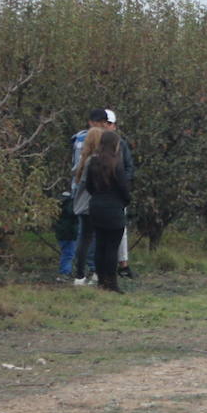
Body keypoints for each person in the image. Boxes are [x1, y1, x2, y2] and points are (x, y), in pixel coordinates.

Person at [71, 107, 136, 278]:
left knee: (88, 237)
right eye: (105, 123)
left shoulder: (81, 143)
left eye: (109, 123)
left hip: (88, 198)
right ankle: (98, 273)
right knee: (101, 239)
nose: (107, 126)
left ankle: (85, 273)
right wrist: (121, 194)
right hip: (101, 200)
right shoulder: (100, 151)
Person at [85, 130, 131, 293]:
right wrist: (124, 201)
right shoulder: (116, 164)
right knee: (112, 247)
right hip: (113, 208)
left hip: (96, 206)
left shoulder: (93, 162)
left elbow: (88, 186)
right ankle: (112, 283)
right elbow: (124, 188)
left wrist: (97, 197)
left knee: (100, 245)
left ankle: (101, 281)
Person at [70, 127, 103, 285]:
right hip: (92, 205)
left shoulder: (83, 160)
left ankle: (79, 274)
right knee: (94, 239)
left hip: (81, 205)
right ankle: (95, 271)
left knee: (83, 239)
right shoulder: (95, 161)